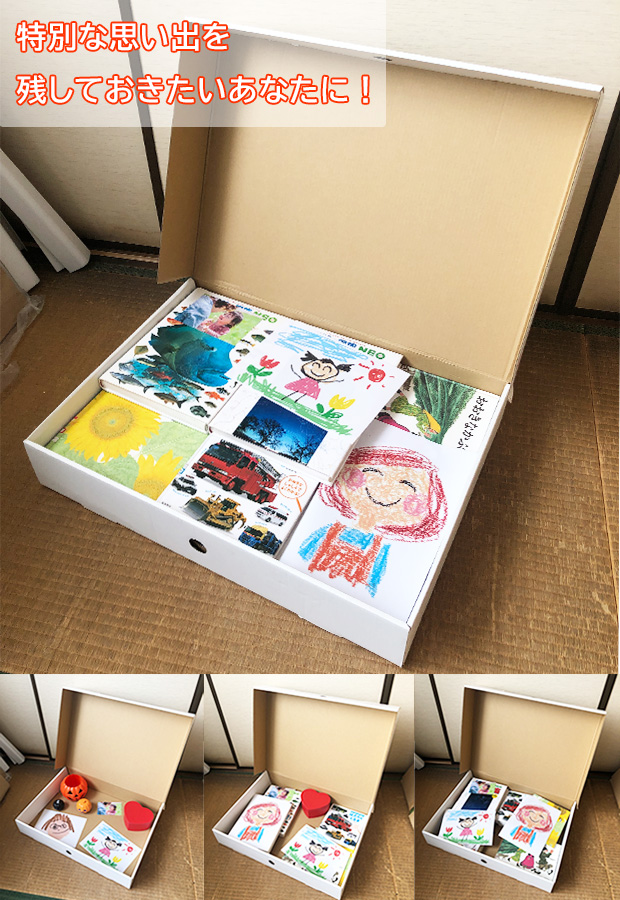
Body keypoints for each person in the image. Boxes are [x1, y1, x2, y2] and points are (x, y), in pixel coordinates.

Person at [298, 445, 447, 596]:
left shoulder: (382, 551)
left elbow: (373, 586)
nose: (385, 489)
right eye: (373, 473)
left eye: (407, 485)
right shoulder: (329, 531)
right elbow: (302, 556)